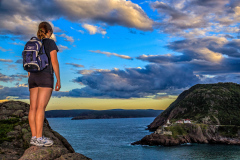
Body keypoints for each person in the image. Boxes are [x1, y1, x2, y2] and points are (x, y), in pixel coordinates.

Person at [28, 21, 61, 147]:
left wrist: (30, 77)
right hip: (45, 77)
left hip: (33, 77)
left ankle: (34, 137)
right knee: (41, 108)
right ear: (49, 32)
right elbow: (54, 62)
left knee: (33, 108)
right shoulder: (50, 42)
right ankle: (40, 138)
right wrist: (58, 79)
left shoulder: (33, 43)